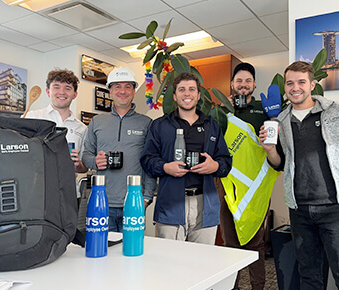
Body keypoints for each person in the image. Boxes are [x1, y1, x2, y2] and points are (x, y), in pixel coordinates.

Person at [259, 61, 339, 289]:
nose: (295, 88)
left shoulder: (334, 112)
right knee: (308, 274)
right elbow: (280, 164)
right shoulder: (281, 121)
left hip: (333, 207)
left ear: (312, 84)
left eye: (301, 82)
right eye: (290, 83)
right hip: (299, 209)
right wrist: (270, 150)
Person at [140, 72, 232, 245]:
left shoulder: (212, 126)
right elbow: (147, 159)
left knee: (203, 264)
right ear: (174, 96)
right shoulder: (159, 125)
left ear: (198, 95)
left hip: (205, 204)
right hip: (170, 203)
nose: (187, 93)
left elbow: (226, 162)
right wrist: (166, 167)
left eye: (191, 89)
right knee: (169, 263)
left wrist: (215, 166)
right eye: (182, 90)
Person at [216, 62, 278, 290]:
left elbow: (276, 143)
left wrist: (274, 118)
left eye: (248, 81)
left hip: (256, 185)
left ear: (254, 84)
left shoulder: (265, 110)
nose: (243, 85)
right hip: (228, 185)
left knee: (256, 241)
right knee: (230, 241)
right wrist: (226, 111)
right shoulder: (221, 110)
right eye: (239, 81)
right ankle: (232, 287)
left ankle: (258, 286)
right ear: (232, 84)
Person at [82, 67, 156, 233]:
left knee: (132, 253)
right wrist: (95, 161)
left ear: (134, 91)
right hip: (102, 203)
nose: (123, 91)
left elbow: (150, 163)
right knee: (102, 253)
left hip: (133, 203)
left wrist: (146, 198)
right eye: (117, 86)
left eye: (128, 86)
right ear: (110, 91)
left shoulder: (146, 123)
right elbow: (86, 156)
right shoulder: (97, 121)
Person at [25, 68, 88, 199]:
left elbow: (84, 168)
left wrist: (78, 165)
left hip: (69, 194)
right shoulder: (32, 117)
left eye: (68, 88)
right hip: (37, 194)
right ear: (48, 92)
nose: (62, 92)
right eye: (56, 87)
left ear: (75, 94)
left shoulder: (82, 128)